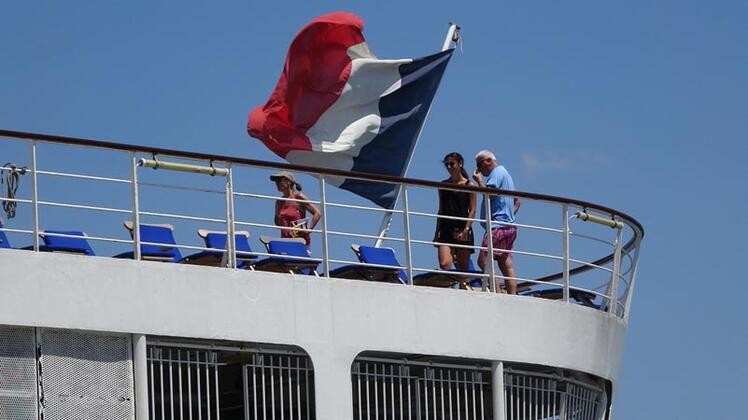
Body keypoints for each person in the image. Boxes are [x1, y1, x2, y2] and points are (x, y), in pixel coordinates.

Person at [472, 150, 521, 294]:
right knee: (505, 262)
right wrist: (509, 215)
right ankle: (511, 296)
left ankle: (497, 293)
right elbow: (517, 201)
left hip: (497, 227)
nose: (479, 170)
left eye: (479, 166)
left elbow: (490, 194)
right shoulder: (506, 175)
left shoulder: (497, 173)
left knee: (483, 261)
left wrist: (480, 181)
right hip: (509, 226)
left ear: (488, 161)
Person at [433, 152, 477, 271]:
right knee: (445, 264)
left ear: (460, 164)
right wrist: (437, 231)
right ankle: (448, 285)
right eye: (446, 165)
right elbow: (441, 208)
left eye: (452, 164)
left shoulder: (469, 185)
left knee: (463, 269)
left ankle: (464, 286)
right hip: (446, 227)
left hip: (463, 226)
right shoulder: (443, 185)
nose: (449, 167)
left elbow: (472, 210)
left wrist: (466, 229)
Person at [270, 171, 321, 247]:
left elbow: (317, 213)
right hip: (285, 241)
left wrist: (308, 230)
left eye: (279, 180)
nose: (277, 183)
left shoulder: (298, 197)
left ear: (289, 182)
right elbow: (277, 222)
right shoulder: (279, 202)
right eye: (276, 181)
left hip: (300, 242)